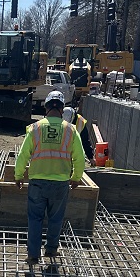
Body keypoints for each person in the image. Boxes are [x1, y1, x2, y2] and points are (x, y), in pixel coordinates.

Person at [14, 90, 85, 265]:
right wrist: (76, 177)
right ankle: (51, 249)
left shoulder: (36, 128)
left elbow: (23, 154)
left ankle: (33, 254)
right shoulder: (71, 129)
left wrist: (18, 175)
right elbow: (80, 157)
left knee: (35, 218)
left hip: (37, 181)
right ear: (62, 109)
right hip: (60, 183)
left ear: (46, 107)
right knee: (55, 218)